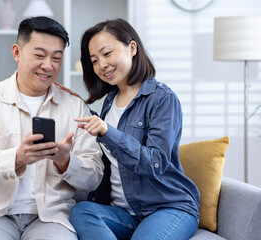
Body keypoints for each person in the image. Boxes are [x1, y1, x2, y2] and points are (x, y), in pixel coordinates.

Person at [0, 16, 104, 240]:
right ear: (17, 53)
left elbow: (94, 177)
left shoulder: (75, 106)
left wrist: (66, 162)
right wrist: (17, 158)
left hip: (50, 218)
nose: (48, 65)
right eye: (39, 55)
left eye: (56, 58)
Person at [69, 18, 200, 240]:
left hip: (168, 208)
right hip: (125, 214)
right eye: (94, 60)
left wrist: (107, 132)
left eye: (107, 53)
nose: (101, 65)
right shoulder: (110, 101)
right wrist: (70, 102)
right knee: (81, 211)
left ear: (131, 48)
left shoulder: (162, 99)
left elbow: (156, 162)